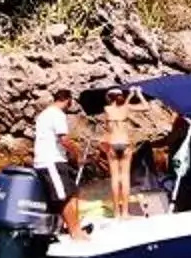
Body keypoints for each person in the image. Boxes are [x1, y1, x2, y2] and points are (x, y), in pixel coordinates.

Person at [33, 91, 92, 239]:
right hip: (51, 161)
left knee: (72, 193)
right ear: (68, 100)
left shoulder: (43, 114)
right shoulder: (57, 114)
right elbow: (64, 140)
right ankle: (75, 233)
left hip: (52, 161)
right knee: (63, 197)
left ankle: (72, 227)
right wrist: (77, 154)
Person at [100, 84, 147, 218]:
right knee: (125, 178)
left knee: (115, 178)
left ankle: (116, 213)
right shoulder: (127, 108)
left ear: (109, 98)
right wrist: (137, 94)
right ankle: (125, 213)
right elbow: (146, 107)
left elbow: (115, 106)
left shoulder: (107, 109)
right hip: (125, 143)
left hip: (113, 143)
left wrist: (130, 96)